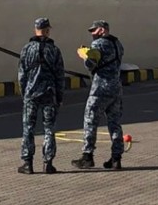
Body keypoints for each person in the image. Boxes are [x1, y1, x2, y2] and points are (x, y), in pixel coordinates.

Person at [71, 20, 125, 170]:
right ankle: (116, 159)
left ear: (101, 30)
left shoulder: (98, 44)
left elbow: (91, 64)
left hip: (100, 88)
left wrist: (84, 56)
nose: (92, 34)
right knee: (114, 124)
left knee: (90, 120)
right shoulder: (117, 43)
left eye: (94, 31)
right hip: (116, 88)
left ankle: (87, 156)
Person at [17, 16, 65, 174]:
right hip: (49, 94)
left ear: (35, 29)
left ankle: (28, 163)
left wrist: (24, 93)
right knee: (49, 129)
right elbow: (59, 75)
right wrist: (60, 96)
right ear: (47, 30)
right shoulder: (54, 50)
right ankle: (48, 163)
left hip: (31, 94)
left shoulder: (26, 49)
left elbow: (21, 75)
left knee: (28, 128)